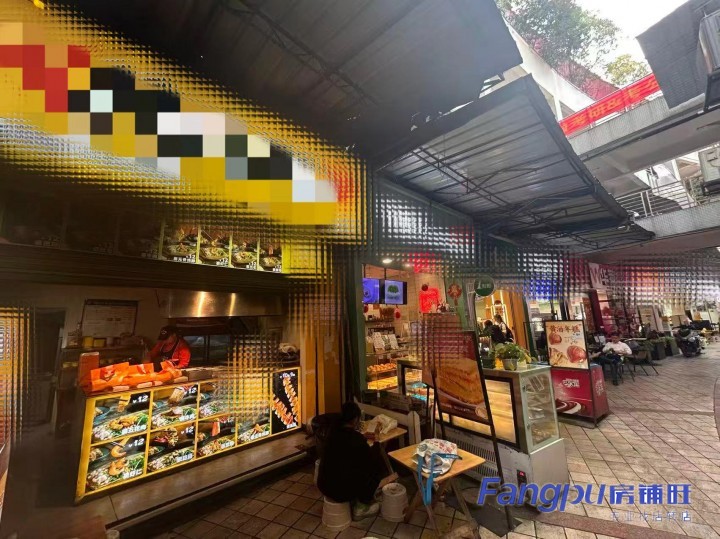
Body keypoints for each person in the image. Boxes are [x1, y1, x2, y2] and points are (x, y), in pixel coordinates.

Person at [317, 402, 398, 520]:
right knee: (374, 470)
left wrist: (362, 436)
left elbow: (347, 445)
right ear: (355, 419)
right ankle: (362, 506)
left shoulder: (333, 432)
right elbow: (371, 459)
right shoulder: (356, 439)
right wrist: (376, 441)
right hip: (341, 492)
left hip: (324, 485)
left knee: (351, 466)